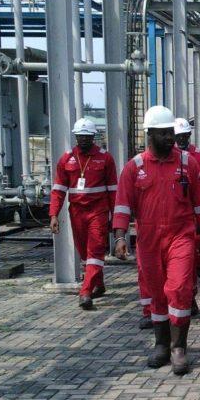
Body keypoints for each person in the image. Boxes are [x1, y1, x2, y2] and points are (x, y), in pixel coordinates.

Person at [112, 105, 200, 376]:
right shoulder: (135, 168)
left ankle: (179, 348)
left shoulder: (187, 164)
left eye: (171, 132)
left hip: (181, 235)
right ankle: (161, 345)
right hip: (148, 238)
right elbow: (122, 205)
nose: (170, 137)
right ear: (150, 134)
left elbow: (199, 202)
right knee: (156, 292)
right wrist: (120, 237)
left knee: (179, 288)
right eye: (164, 133)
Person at [49, 117, 118, 310]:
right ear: (75, 136)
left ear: (93, 137)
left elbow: (113, 190)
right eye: (80, 136)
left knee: (95, 250)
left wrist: (116, 218)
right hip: (77, 212)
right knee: (84, 252)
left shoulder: (105, 158)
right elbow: (58, 190)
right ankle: (99, 284)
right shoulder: (67, 159)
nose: (84, 139)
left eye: (87, 136)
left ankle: (85, 292)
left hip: (98, 211)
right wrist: (53, 215)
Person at [175, 117, 200, 312]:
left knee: (193, 249)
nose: (181, 139)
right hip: (176, 213)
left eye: (184, 136)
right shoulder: (169, 156)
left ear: (189, 135)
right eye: (178, 136)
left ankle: (191, 295)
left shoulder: (198, 155)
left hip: (193, 210)